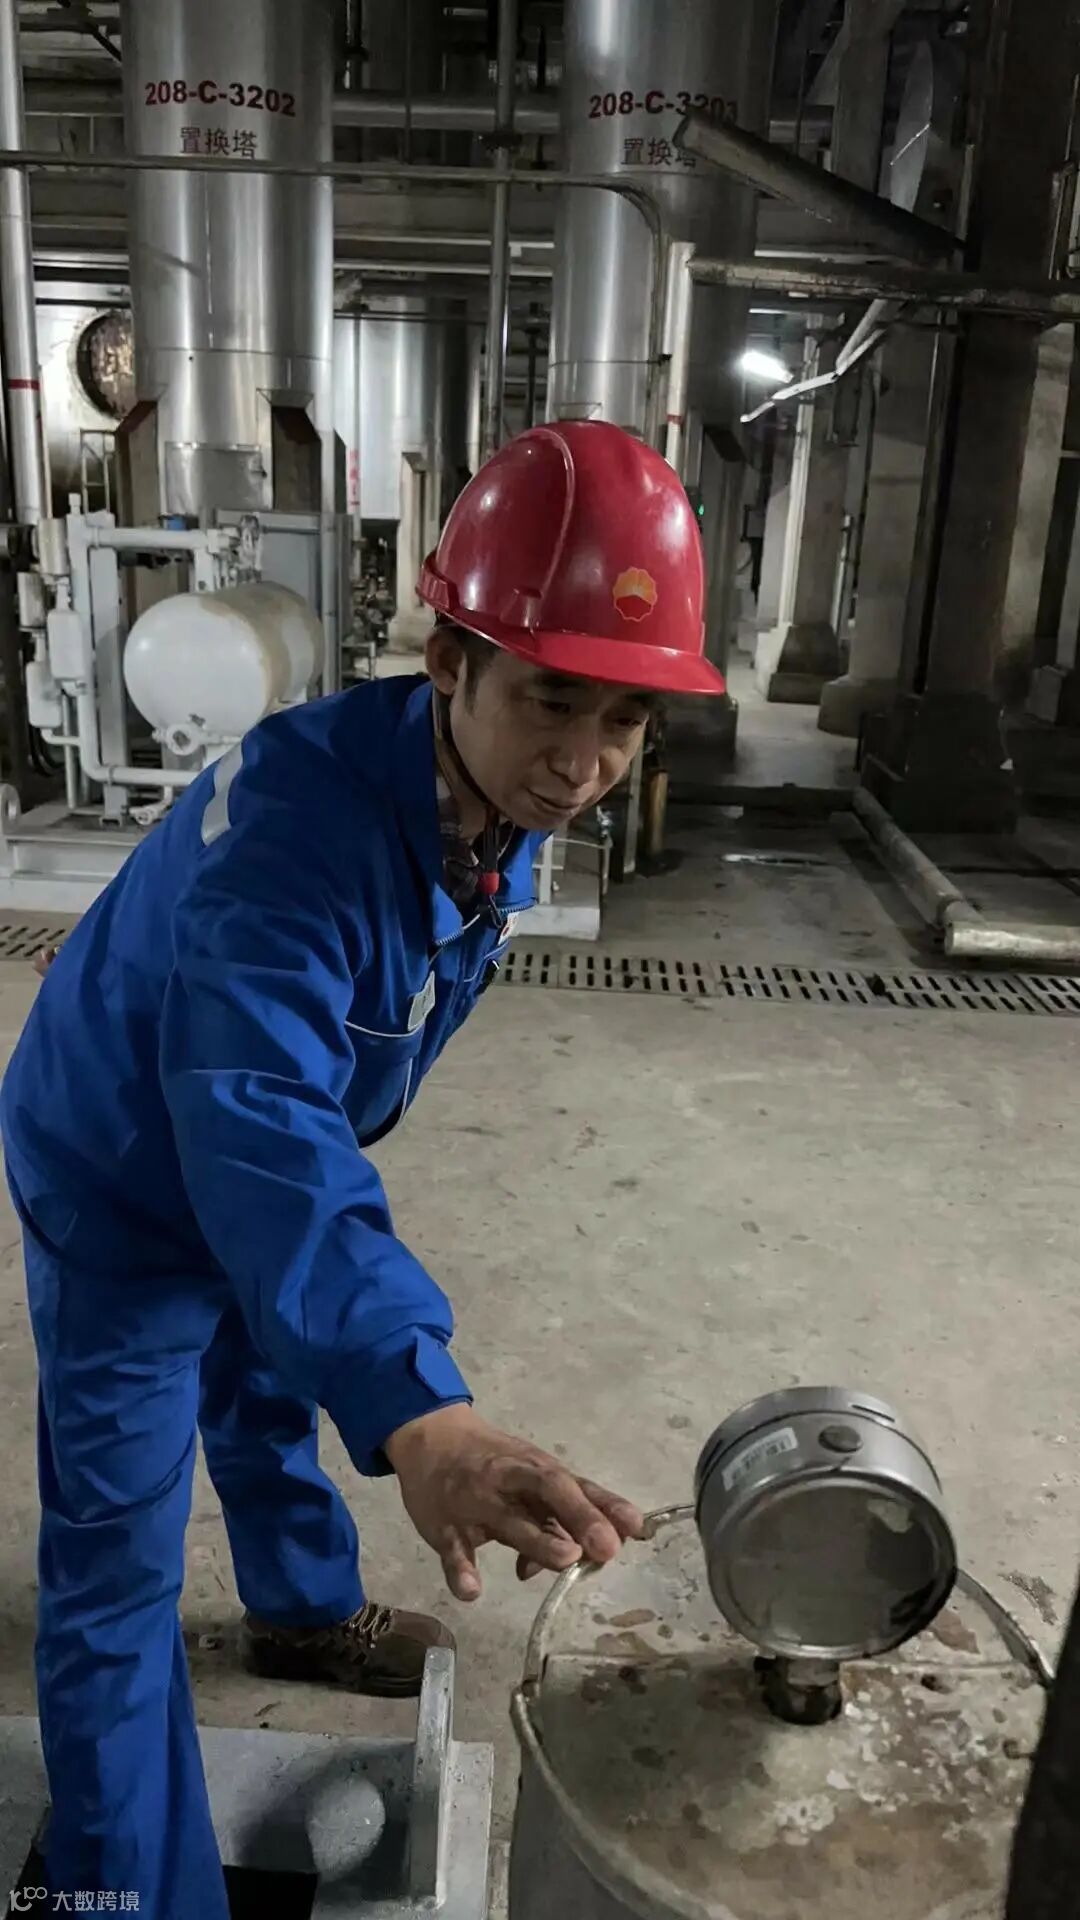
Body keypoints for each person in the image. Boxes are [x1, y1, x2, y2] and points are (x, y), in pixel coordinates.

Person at [1, 420, 725, 1918]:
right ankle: (124, 1891)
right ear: (449, 661)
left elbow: (295, 1141)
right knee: (117, 1572)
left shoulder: (488, 802)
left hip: (256, 1146)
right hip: (120, 1169)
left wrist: (343, 1331)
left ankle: (299, 1609)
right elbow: (258, 1114)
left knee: (272, 1360)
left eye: (625, 720)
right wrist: (420, 1410)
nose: (584, 763)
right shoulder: (298, 833)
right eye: (552, 700)